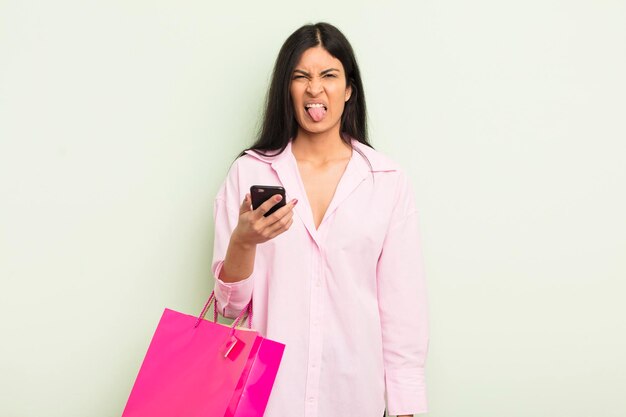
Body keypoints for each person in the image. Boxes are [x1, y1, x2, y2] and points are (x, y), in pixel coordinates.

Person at [211, 22, 428, 417]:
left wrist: (405, 407)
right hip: (264, 396)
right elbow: (229, 309)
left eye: (329, 75)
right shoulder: (250, 174)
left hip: (353, 395)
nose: (315, 89)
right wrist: (243, 241)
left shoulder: (387, 181)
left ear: (348, 90)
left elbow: (402, 309)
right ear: (287, 90)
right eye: (301, 77)